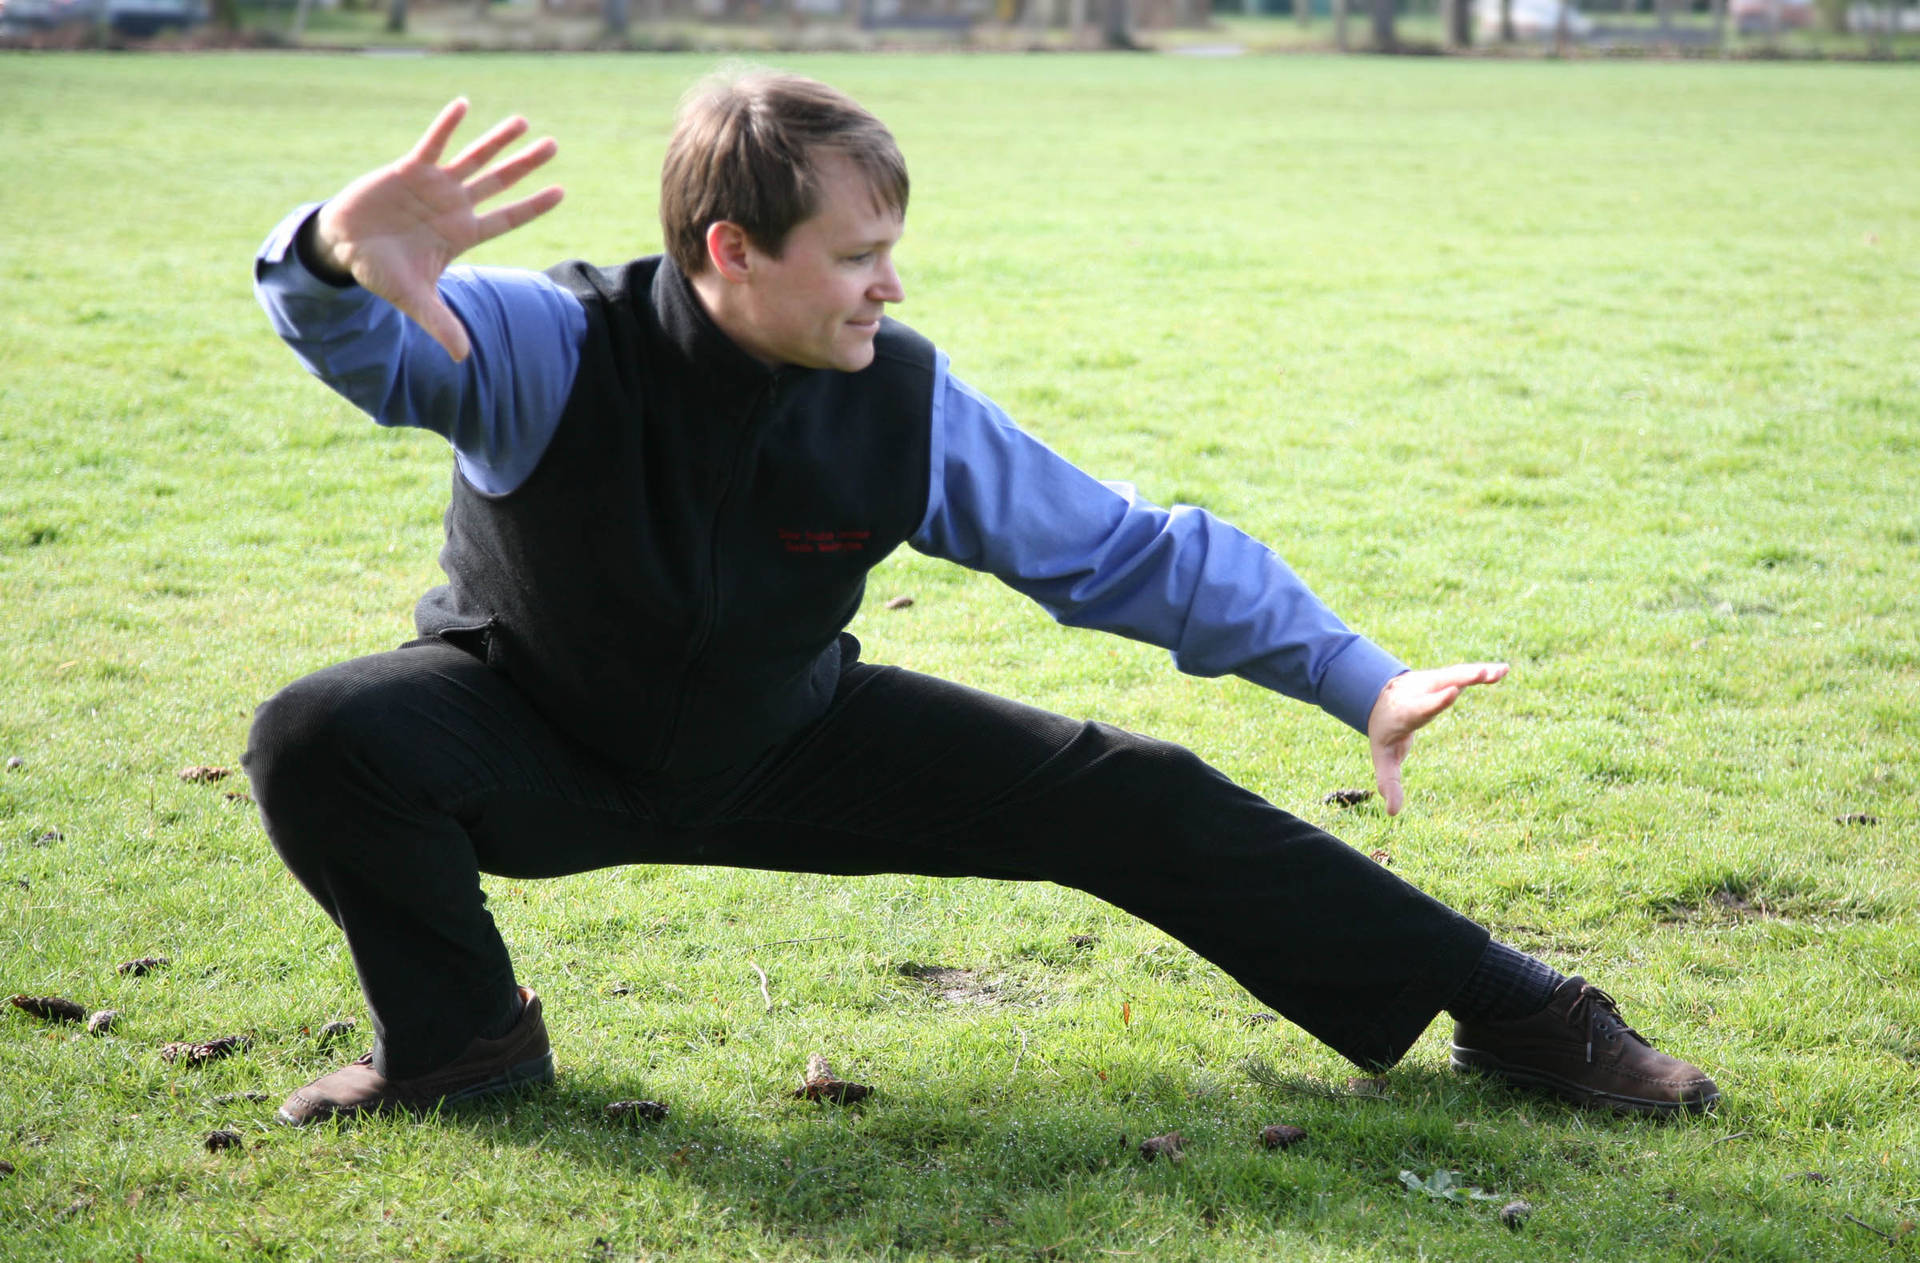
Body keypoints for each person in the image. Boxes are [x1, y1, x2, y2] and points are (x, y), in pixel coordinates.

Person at [247, 71, 1717, 1127]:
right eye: (859, 257)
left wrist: (1360, 677)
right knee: (324, 731)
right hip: (526, 736)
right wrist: (328, 254)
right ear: (731, 252)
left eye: (895, 252)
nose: (891, 288)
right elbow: (371, 346)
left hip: (783, 740)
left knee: (1138, 795)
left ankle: (1520, 1013)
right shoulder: (547, 342)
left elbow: (1123, 553)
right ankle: (461, 1048)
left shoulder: (902, 400)